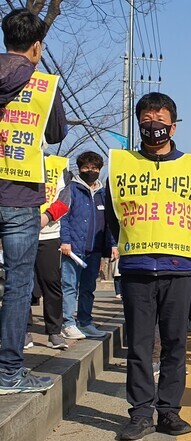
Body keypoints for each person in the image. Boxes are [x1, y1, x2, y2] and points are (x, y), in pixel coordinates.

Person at [106, 92, 191, 440]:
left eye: (160, 124)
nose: (154, 130)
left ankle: (168, 412)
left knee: (175, 343)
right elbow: (113, 214)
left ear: (173, 126)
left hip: (179, 268)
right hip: (137, 268)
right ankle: (139, 414)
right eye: (147, 123)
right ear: (139, 125)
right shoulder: (122, 165)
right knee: (138, 345)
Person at [0, 9, 67, 394]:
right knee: (18, 283)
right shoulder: (44, 85)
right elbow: (56, 133)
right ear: (37, 47)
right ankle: (9, 372)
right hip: (21, 196)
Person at [59, 151, 117, 340]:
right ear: (80, 168)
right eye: (85, 168)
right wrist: (65, 241)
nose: (90, 171)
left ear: (100, 170)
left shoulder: (103, 194)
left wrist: (113, 245)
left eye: (94, 168)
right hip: (73, 249)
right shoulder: (71, 189)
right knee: (69, 286)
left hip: (94, 249)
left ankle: (85, 322)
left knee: (88, 288)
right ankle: (67, 323)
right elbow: (63, 216)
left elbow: (109, 222)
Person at [35, 155, 73, 349]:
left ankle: (54, 332)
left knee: (52, 284)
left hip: (49, 234)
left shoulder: (59, 164)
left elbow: (65, 200)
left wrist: (46, 216)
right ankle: (21, 332)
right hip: (18, 231)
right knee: (19, 285)